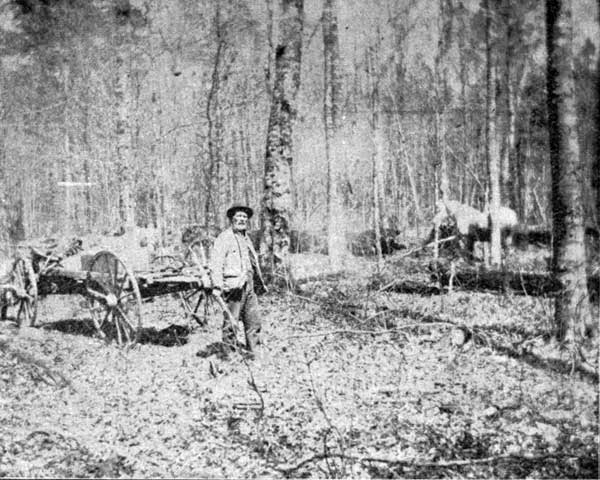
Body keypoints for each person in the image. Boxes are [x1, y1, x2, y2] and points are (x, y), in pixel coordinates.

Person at [209, 205, 266, 358]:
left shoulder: (246, 238)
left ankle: (253, 352)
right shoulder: (224, 238)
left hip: (249, 285)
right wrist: (217, 286)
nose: (241, 219)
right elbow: (216, 263)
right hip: (234, 286)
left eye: (244, 217)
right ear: (231, 219)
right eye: (238, 216)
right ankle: (229, 354)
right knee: (231, 322)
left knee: (253, 321)